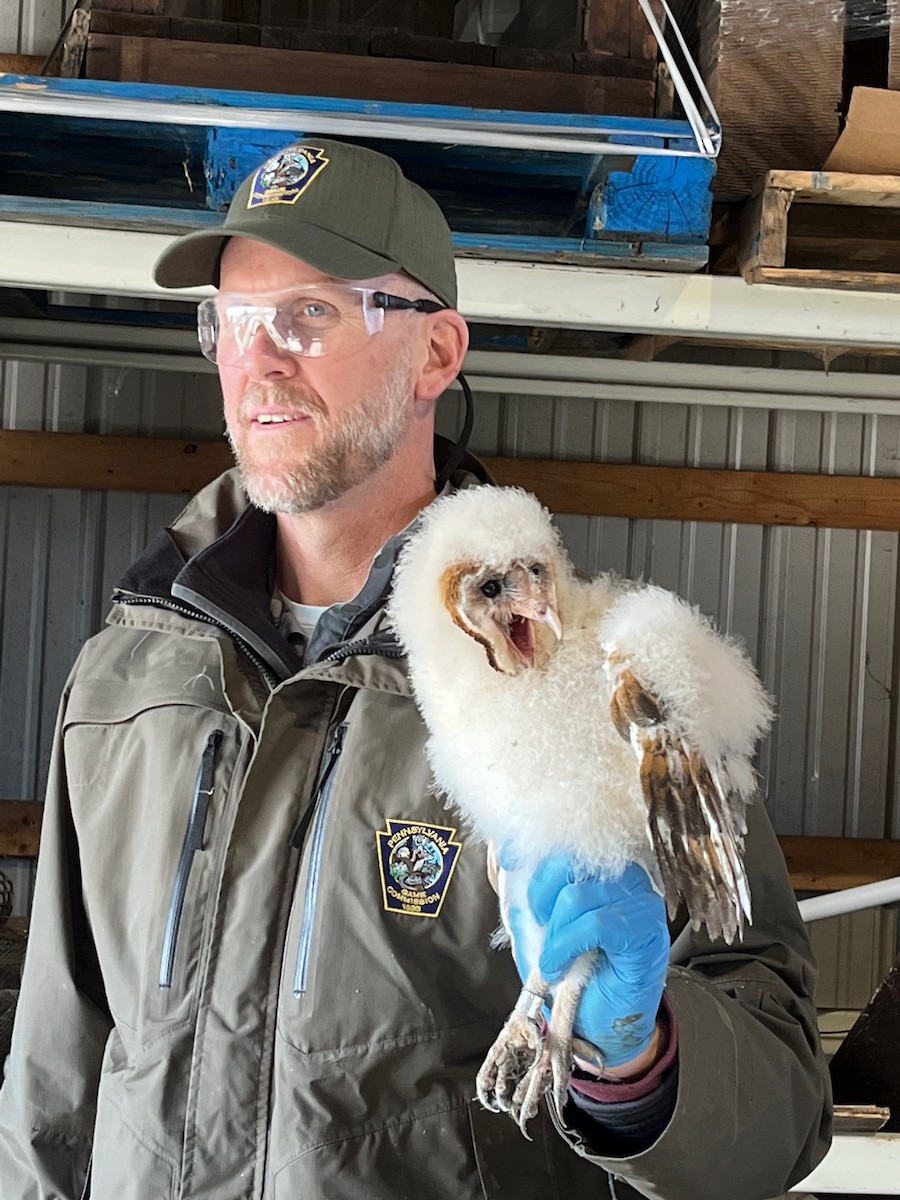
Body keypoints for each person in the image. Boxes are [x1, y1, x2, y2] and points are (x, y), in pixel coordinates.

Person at [0, 138, 831, 1199]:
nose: (258, 360)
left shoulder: (594, 680)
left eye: (309, 314)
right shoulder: (128, 677)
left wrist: (639, 1061)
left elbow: (781, 1103)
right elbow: (55, 1080)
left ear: (436, 353)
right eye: (232, 321)